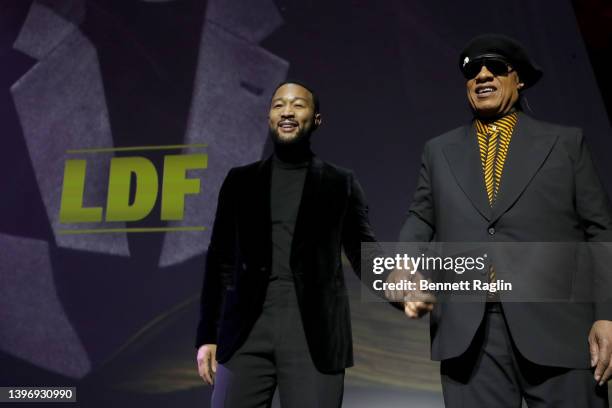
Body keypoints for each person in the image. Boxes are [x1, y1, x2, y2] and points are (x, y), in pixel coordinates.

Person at [391, 33, 612, 407]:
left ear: (519, 78)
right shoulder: (439, 151)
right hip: (470, 335)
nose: (482, 75)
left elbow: (601, 231)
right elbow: (419, 216)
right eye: (472, 70)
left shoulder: (565, 143)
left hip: (559, 324)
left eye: (494, 66)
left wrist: (607, 315)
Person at [195, 81, 376, 407]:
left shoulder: (340, 183)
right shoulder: (240, 181)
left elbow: (364, 252)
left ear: (316, 119)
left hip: (314, 334)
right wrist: (207, 335)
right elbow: (220, 260)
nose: (287, 111)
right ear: (269, 118)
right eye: (279, 105)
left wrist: (399, 284)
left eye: (298, 105)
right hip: (246, 331)